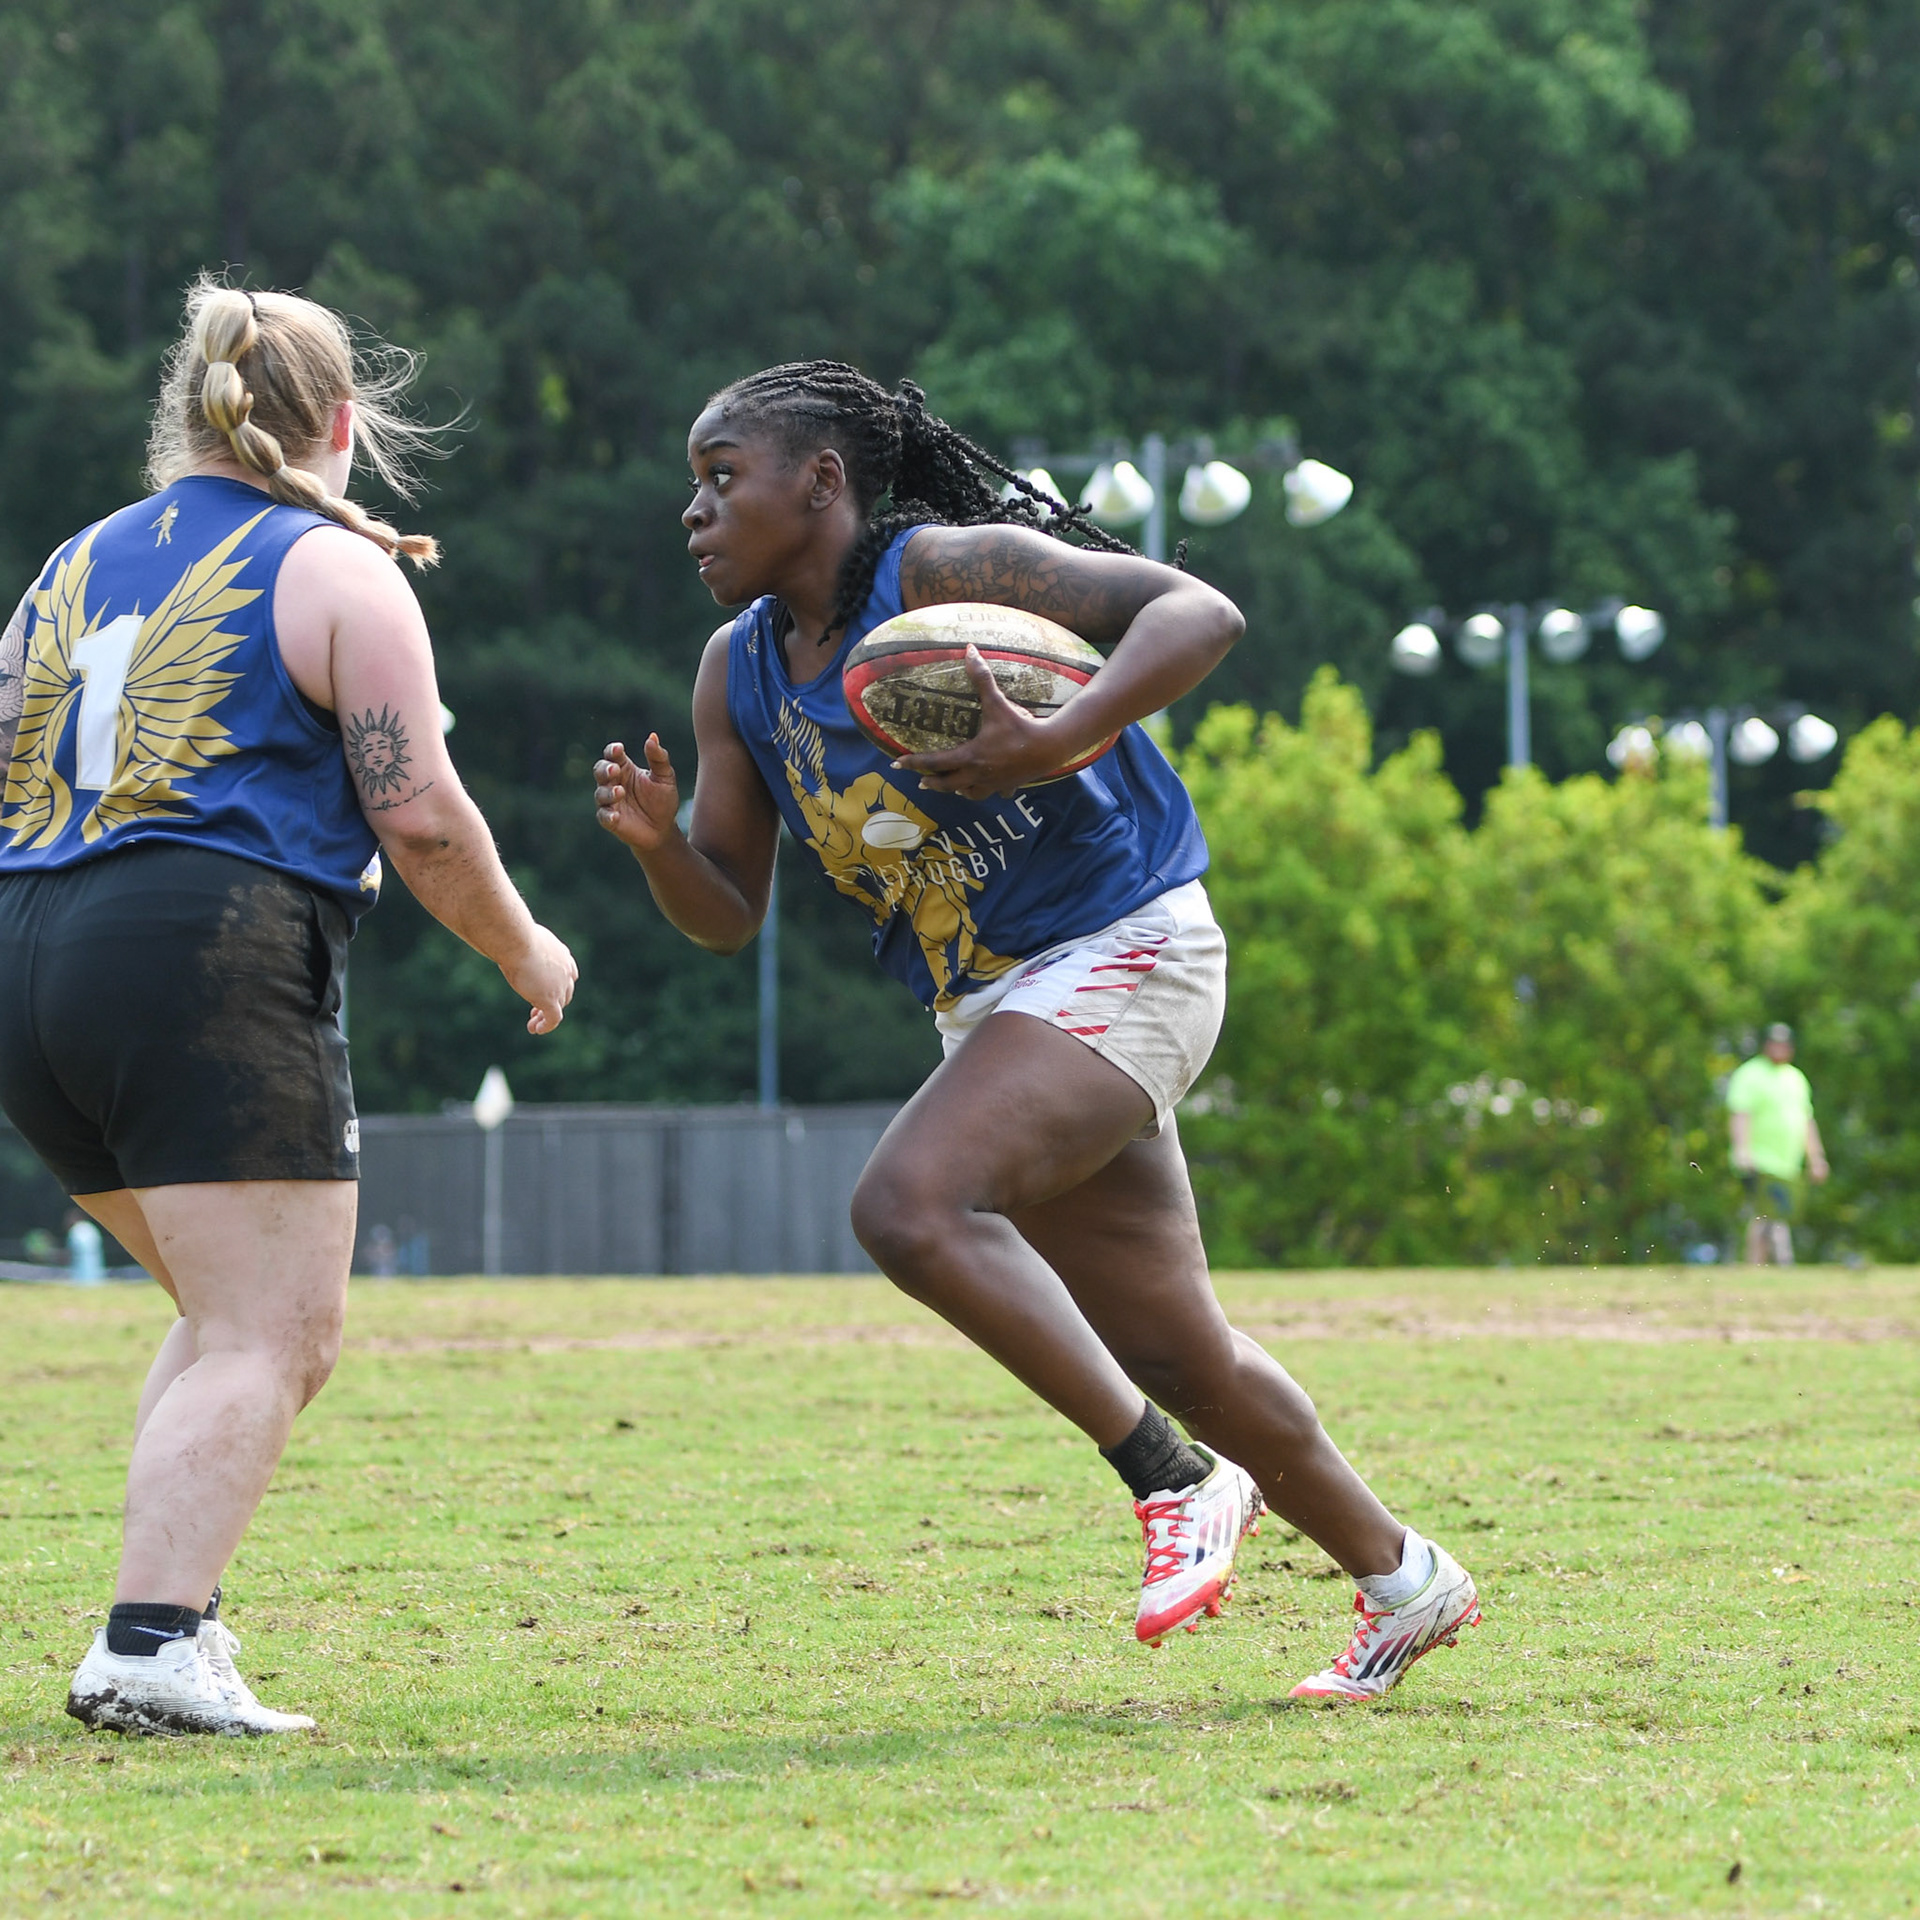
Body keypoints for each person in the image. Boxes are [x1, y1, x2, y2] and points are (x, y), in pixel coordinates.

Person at [592, 361, 1478, 1701]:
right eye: (694, 485)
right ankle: (1406, 1580)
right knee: (1179, 1353)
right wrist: (663, 850)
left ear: (822, 482)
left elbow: (1200, 612)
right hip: (997, 1003)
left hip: (1127, 945)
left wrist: (1061, 734)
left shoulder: (943, 570)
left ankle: (1171, 1479)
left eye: (724, 479)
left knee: (906, 1205)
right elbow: (726, 913)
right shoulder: (738, 673)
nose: (694, 511)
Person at [0, 278, 577, 1736]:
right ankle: (145, 1648)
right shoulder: (333, 569)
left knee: (224, 1314)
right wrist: (524, 949)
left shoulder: (69, 565)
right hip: (201, 949)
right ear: (340, 423)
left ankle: (173, 1621)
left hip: (26, 952)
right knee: (276, 1331)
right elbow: (419, 816)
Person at [1727, 1023, 1828, 1265]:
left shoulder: (1796, 1078)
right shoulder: (1750, 1074)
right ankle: (1767, 1264)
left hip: (1788, 1164)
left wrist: (1816, 1157)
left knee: (1777, 1215)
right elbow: (1740, 1114)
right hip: (1760, 1160)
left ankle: (1769, 1267)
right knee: (1766, 1215)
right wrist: (1742, 1150)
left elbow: (1806, 1120)